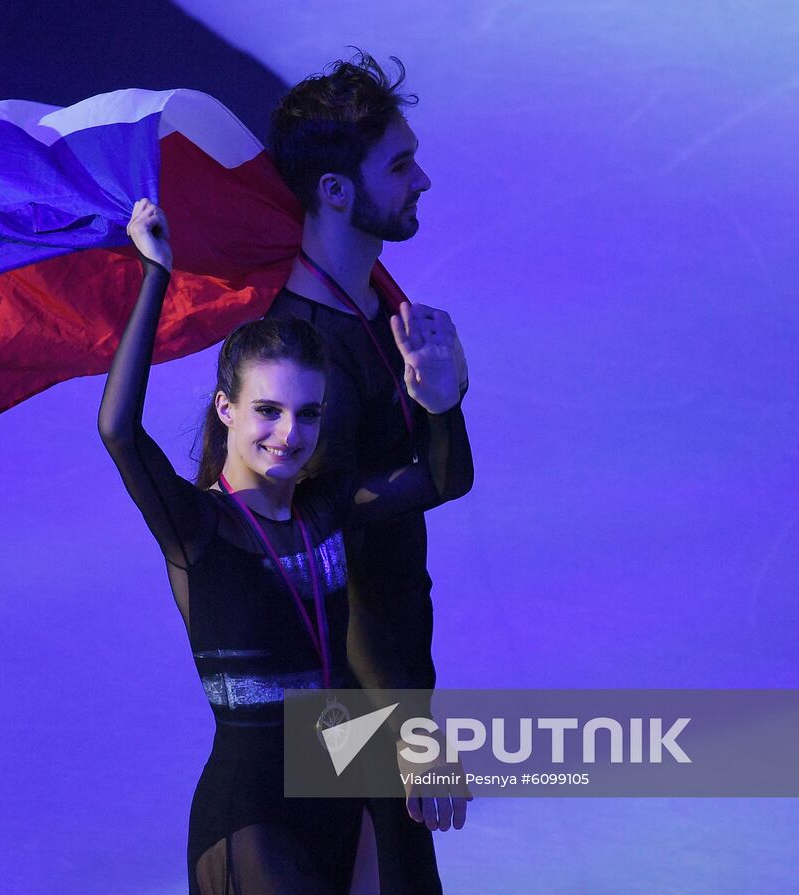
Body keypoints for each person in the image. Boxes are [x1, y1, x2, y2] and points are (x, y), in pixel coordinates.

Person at [99, 199, 471, 894]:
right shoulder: (197, 527)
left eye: (307, 412)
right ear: (226, 408)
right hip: (251, 820)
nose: (288, 433)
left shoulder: (326, 508)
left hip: (341, 793)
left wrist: (443, 403)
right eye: (267, 409)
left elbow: (442, 479)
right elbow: (118, 429)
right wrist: (156, 275)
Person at [263, 51, 471, 893]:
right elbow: (331, 546)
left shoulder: (377, 311)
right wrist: (408, 731)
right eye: (399, 163)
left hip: (378, 678)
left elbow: (437, 481)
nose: (421, 179)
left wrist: (444, 402)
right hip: (346, 695)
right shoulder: (304, 349)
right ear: (337, 191)